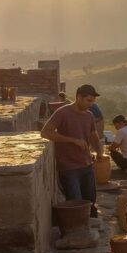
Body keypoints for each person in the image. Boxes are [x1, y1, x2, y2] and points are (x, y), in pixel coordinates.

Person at [41, 84, 103, 217]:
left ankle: (90, 230)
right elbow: (45, 133)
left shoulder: (89, 115)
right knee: (76, 203)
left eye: (92, 101)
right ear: (78, 97)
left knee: (91, 201)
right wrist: (72, 140)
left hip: (86, 165)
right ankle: (77, 233)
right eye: (88, 101)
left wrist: (99, 151)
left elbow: (93, 135)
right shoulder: (63, 112)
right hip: (69, 168)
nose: (91, 104)